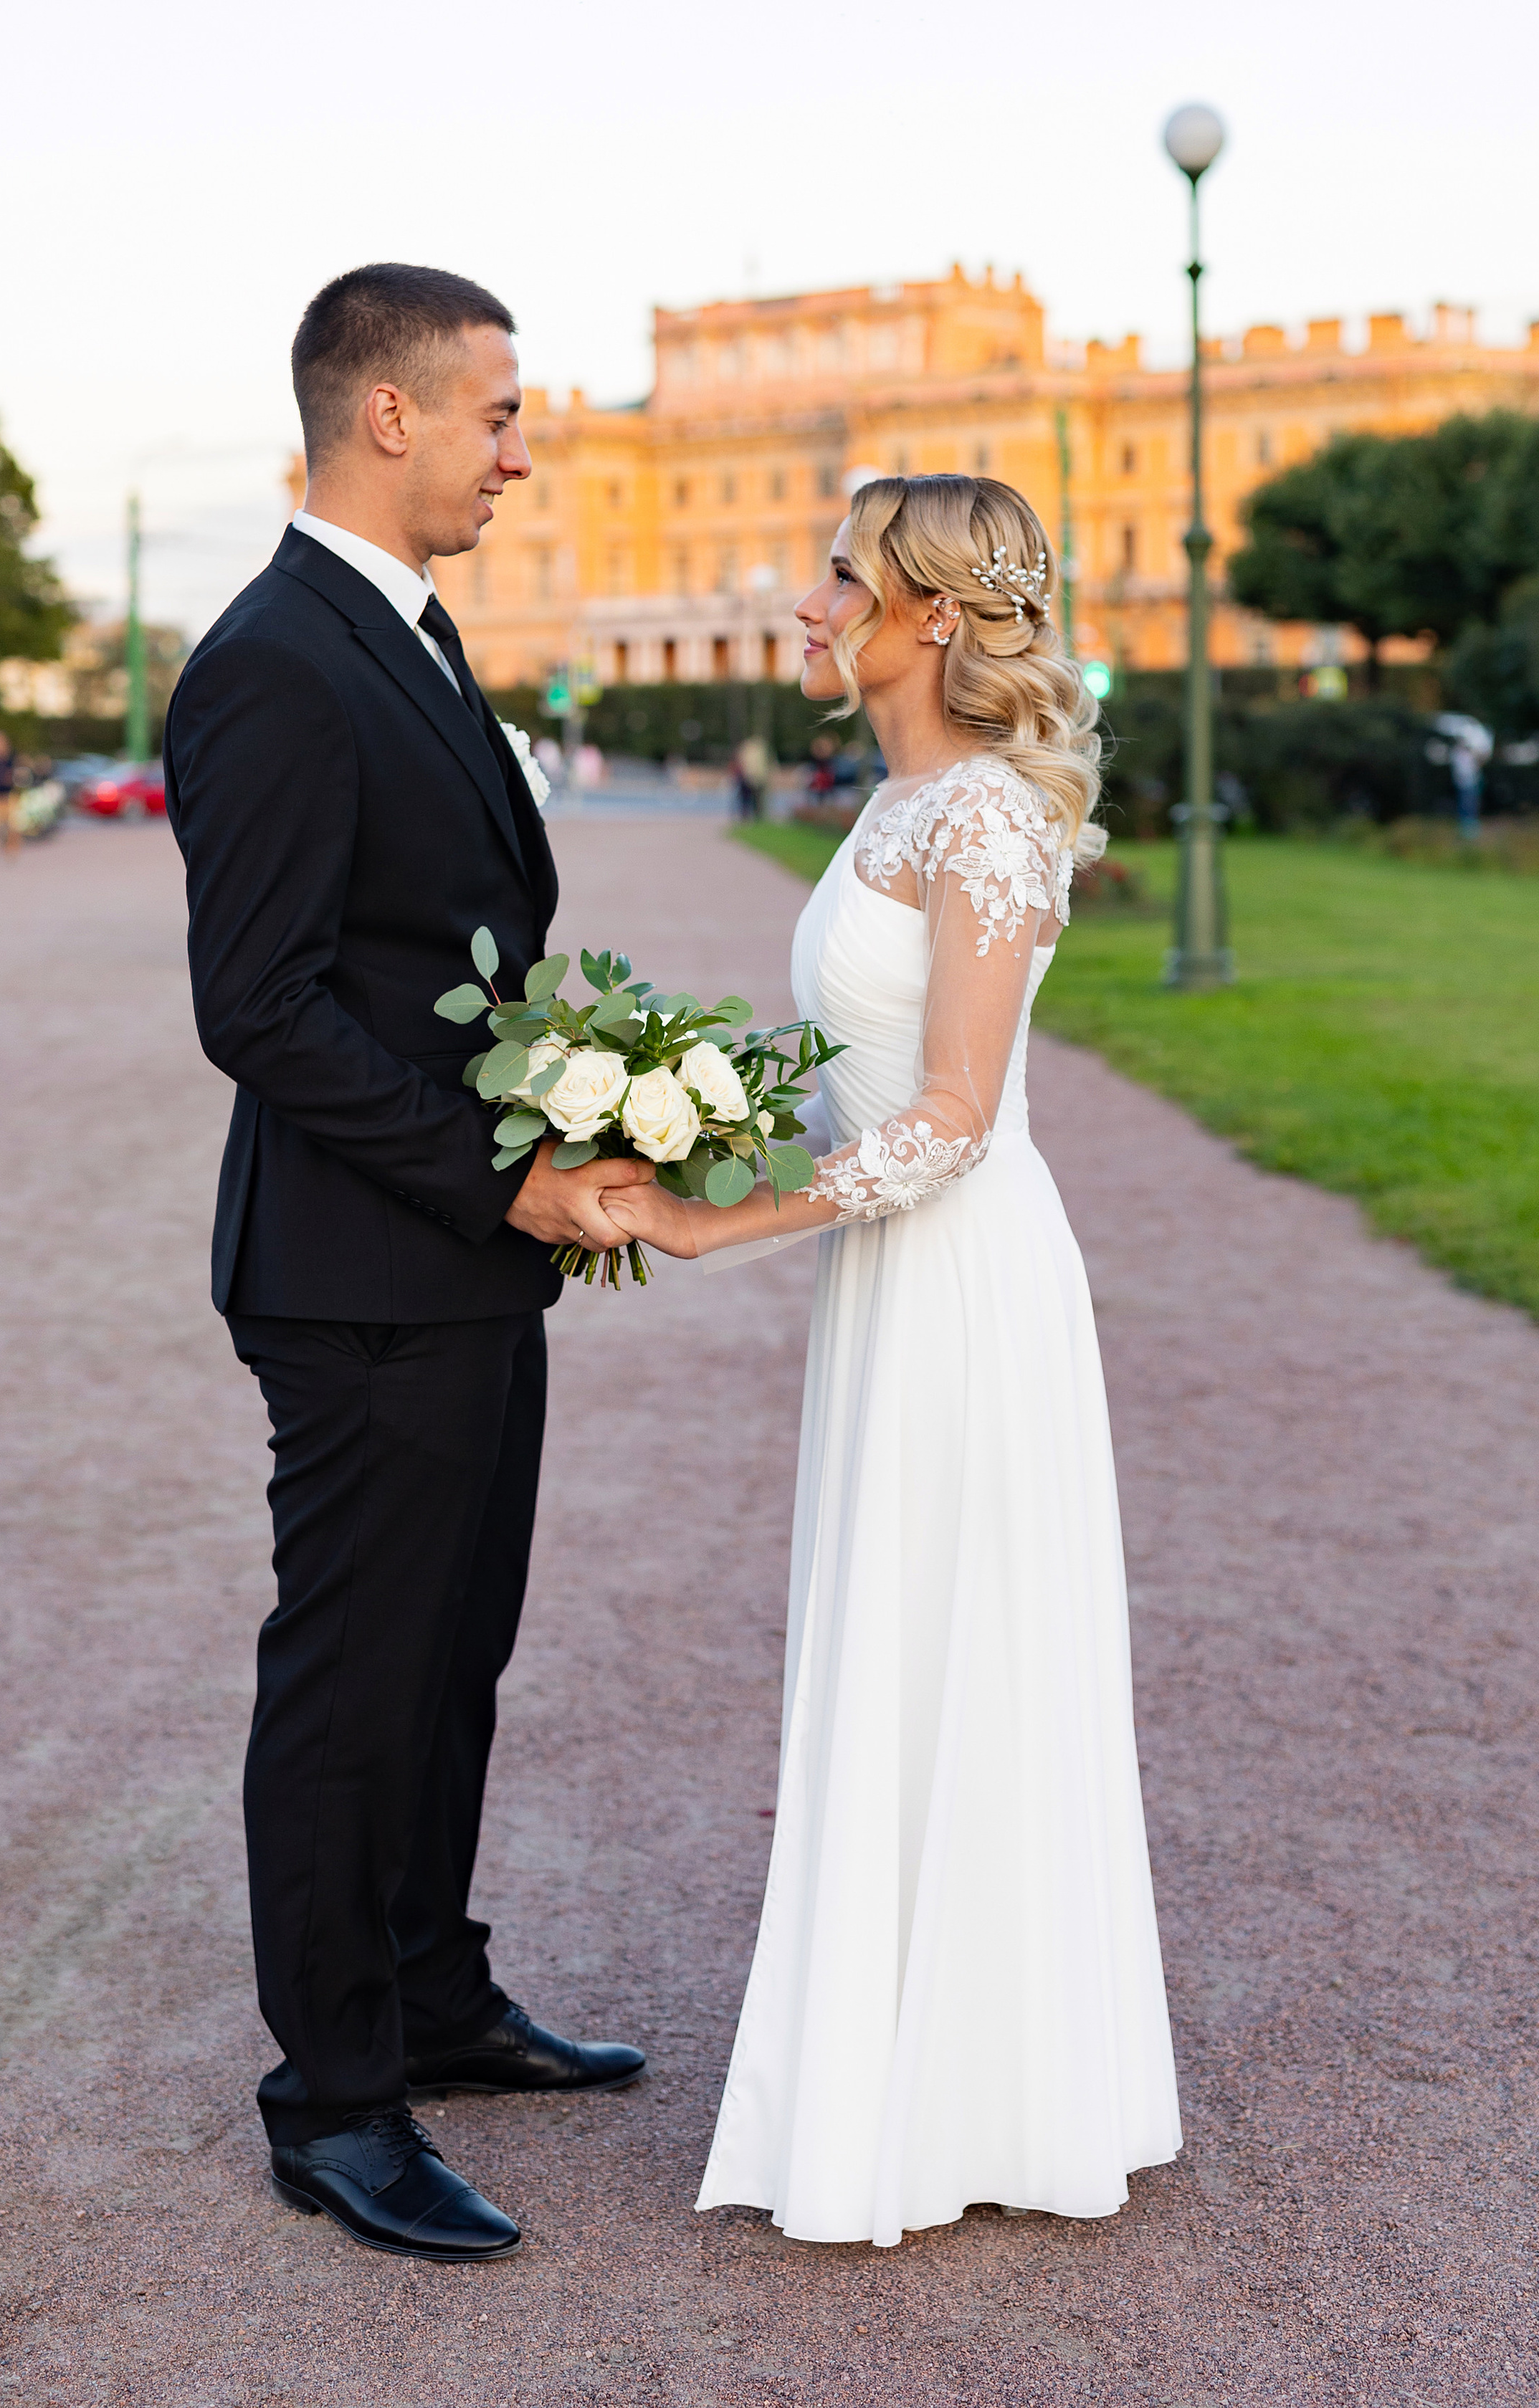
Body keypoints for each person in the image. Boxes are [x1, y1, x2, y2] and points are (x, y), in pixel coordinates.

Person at [601, 475, 1181, 2243]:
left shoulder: (987, 818)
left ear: (926, 615)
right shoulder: (889, 803)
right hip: (885, 1287)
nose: (801, 601)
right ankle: (896, 2064)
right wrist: (661, 1111)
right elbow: (851, 1059)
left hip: (961, 1287)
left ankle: (973, 2092)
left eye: (834, 576)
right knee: (892, 1641)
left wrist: (711, 1222)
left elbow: (949, 1117)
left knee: (959, 1646)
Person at [163, 264, 649, 2268]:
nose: (521, 453)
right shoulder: (277, 659)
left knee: (457, 1653)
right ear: (390, 417)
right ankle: (337, 2098)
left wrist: (571, 1115)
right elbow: (261, 1006)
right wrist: (497, 1175)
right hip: (366, 1269)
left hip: (459, 1259)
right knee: (356, 1680)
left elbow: (439, 960)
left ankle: (435, 1996)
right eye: (500, 416)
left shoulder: (412, 641)